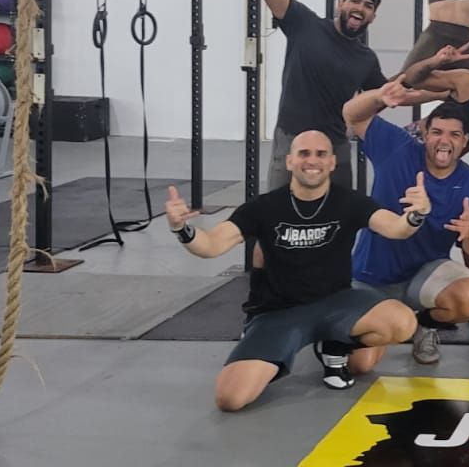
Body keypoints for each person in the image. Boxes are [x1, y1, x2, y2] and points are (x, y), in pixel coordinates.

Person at [164, 130, 445, 412]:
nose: (313, 161)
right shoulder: (263, 207)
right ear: (289, 162)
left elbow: (396, 228)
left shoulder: (350, 202)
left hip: (336, 302)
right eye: (304, 153)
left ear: (333, 162)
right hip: (278, 312)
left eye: (321, 154)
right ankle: (273, 353)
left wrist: (416, 215)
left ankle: (333, 346)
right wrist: (183, 230)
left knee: (398, 327)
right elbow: (211, 245)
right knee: (231, 399)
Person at [342, 82, 469, 369]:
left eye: (454, 135)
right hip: (372, 276)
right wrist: (377, 97)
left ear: (465, 141)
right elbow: (352, 115)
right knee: (360, 365)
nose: (444, 141)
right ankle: (399, 320)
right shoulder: (397, 148)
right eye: (437, 132)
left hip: (424, 277)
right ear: (424, 133)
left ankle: (424, 325)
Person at [246, 0, 385, 190]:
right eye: (354, 0)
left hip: (334, 145)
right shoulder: (303, 23)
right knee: (278, 213)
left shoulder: (366, 59)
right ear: (339, 4)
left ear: (372, 16)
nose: (360, 8)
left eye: (368, 6)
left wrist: (353, 124)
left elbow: (381, 97)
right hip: (291, 139)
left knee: (340, 216)